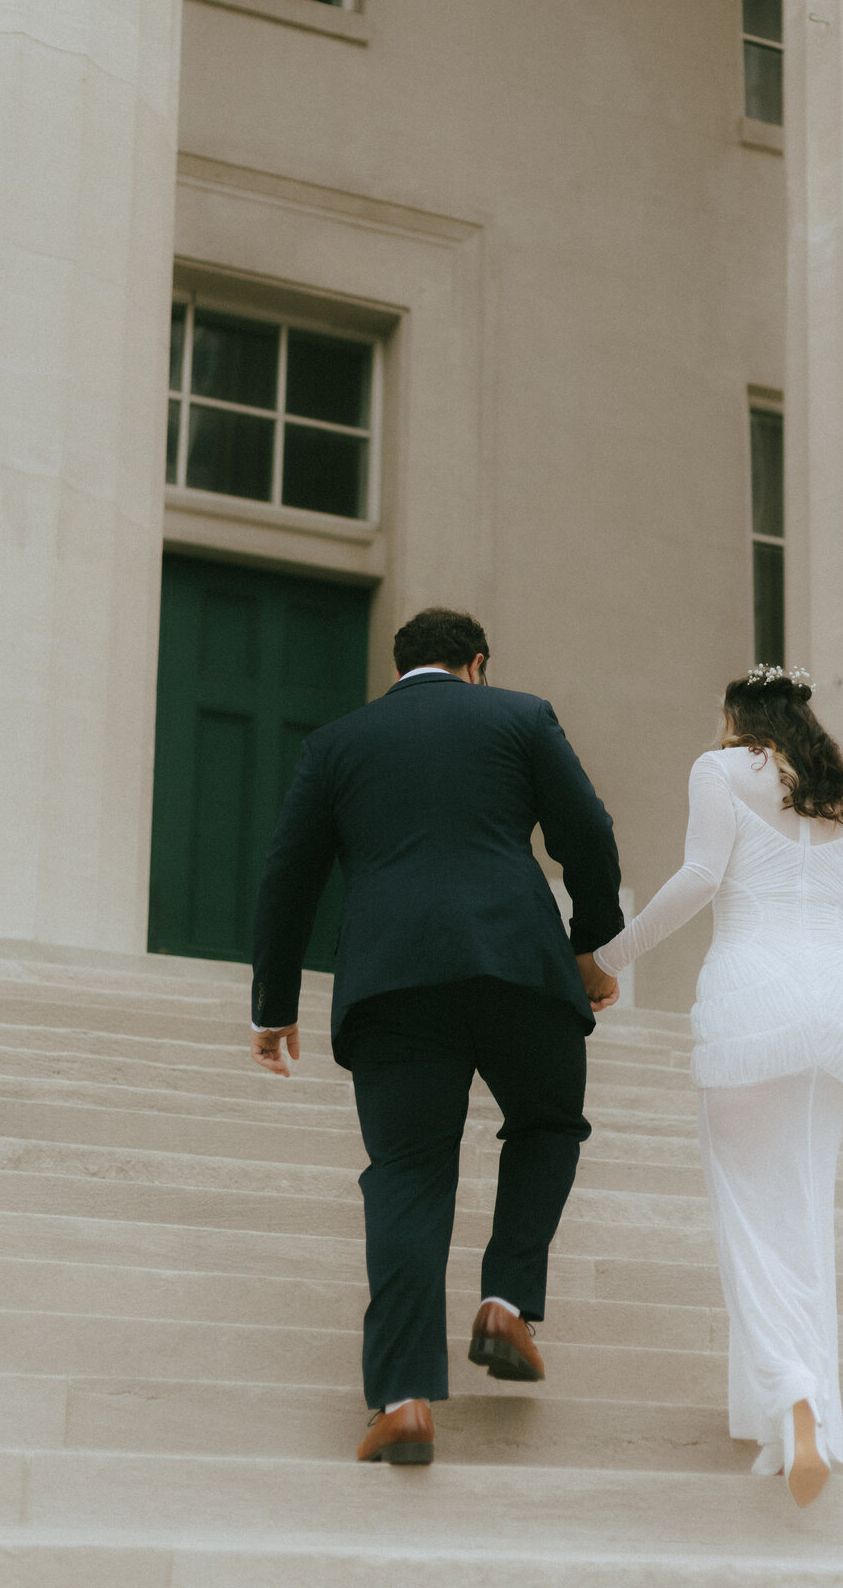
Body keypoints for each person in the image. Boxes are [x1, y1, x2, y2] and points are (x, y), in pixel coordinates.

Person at [247, 607, 622, 1466]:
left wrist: (274, 1005)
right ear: (477, 664)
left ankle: (405, 1400)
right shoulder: (520, 715)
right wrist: (587, 943)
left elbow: (287, 877)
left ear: (400, 667)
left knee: (410, 1174)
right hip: (518, 963)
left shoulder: (337, 743)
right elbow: (588, 834)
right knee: (548, 1122)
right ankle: (506, 1302)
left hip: (393, 983)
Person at [593, 664, 843, 1508]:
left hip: (752, 999)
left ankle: (795, 1396)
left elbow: (700, 879)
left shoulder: (719, 768)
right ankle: (791, 1428)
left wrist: (608, 959)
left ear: (739, 715)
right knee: (805, 1216)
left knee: (747, 1217)